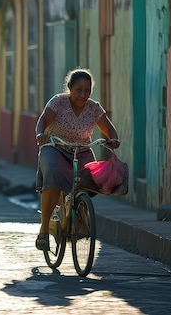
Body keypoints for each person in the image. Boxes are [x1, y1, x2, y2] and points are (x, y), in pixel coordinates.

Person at [34, 68, 120, 251]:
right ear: (69, 88)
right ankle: (43, 230)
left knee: (90, 180)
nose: (83, 95)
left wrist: (113, 139)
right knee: (54, 176)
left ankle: (78, 214)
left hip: (81, 150)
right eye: (79, 90)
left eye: (87, 90)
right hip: (55, 147)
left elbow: (109, 129)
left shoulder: (94, 108)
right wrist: (41, 134)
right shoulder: (58, 102)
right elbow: (42, 121)